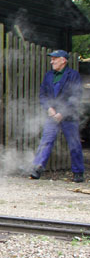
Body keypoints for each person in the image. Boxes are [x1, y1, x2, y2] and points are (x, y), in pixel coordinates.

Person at [30, 49, 85, 183]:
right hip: (52, 114)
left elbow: (75, 96)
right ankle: (37, 169)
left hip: (68, 116)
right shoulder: (49, 75)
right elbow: (43, 95)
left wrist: (63, 112)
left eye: (54, 58)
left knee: (74, 144)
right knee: (46, 141)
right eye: (52, 58)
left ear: (63, 60)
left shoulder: (73, 75)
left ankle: (78, 173)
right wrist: (49, 108)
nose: (51, 61)